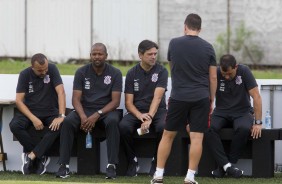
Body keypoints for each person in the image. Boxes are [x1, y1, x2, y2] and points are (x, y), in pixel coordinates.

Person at [151, 13, 217, 184]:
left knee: (167, 135)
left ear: (185, 26)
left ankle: (158, 174)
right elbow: (213, 78)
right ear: (200, 29)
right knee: (197, 138)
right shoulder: (209, 47)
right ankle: (190, 176)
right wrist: (211, 98)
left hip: (179, 96)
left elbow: (173, 68)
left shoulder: (174, 43)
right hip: (201, 97)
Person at [55, 43, 122, 179]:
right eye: (94, 54)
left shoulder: (115, 73)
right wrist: (83, 116)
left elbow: (115, 102)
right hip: (84, 110)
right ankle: (64, 165)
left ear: (106, 56)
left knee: (113, 121)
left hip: (106, 111)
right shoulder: (81, 72)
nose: (97, 56)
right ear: (90, 55)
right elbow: (75, 99)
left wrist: (97, 115)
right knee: (67, 122)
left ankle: (111, 165)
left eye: (100, 54)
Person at [205, 54, 262, 178]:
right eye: (223, 73)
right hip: (221, 111)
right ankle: (228, 166)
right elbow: (205, 95)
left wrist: (258, 123)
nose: (226, 76)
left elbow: (256, 96)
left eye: (229, 74)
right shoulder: (215, 73)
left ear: (236, 67)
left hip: (242, 111)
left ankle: (225, 166)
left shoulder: (244, 71)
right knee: (208, 128)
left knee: (243, 129)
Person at [9, 53, 66, 175]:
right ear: (32, 67)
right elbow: (18, 101)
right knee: (14, 125)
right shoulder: (24, 74)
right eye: (40, 70)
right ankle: (41, 156)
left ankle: (31, 155)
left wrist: (61, 116)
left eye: (45, 69)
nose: (44, 72)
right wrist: (33, 118)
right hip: (30, 112)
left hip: (51, 111)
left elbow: (61, 92)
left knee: (61, 125)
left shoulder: (53, 69)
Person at [119, 40, 168, 177]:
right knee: (123, 126)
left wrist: (150, 117)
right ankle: (132, 161)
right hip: (137, 111)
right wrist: (140, 116)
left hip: (158, 110)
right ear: (140, 55)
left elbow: (157, 98)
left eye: (155, 54)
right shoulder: (132, 73)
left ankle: (156, 162)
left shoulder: (162, 71)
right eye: (149, 54)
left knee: (163, 127)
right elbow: (128, 103)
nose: (153, 57)